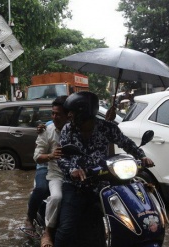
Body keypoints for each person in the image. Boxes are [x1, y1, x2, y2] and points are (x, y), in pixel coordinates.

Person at [54, 91, 154, 247]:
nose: (69, 116)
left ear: (83, 112)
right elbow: (61, 156)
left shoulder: (107, 128)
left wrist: (141, 156)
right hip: (75, 186)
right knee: (67, 229)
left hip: (101, 186)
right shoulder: (68, 129)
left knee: (119, 222)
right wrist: (72, 170)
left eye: (72, 113)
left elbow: (126, 143)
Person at [33, 96, 68, 247]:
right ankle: (47, 232)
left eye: (58, 114)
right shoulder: (47, 130)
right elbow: (36, 156)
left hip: (77, 174)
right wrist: (51, 155)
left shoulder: (77, 129)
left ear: (69, 115)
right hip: (56, 174)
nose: (55, 117)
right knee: (57, 198)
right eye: (53, 113)